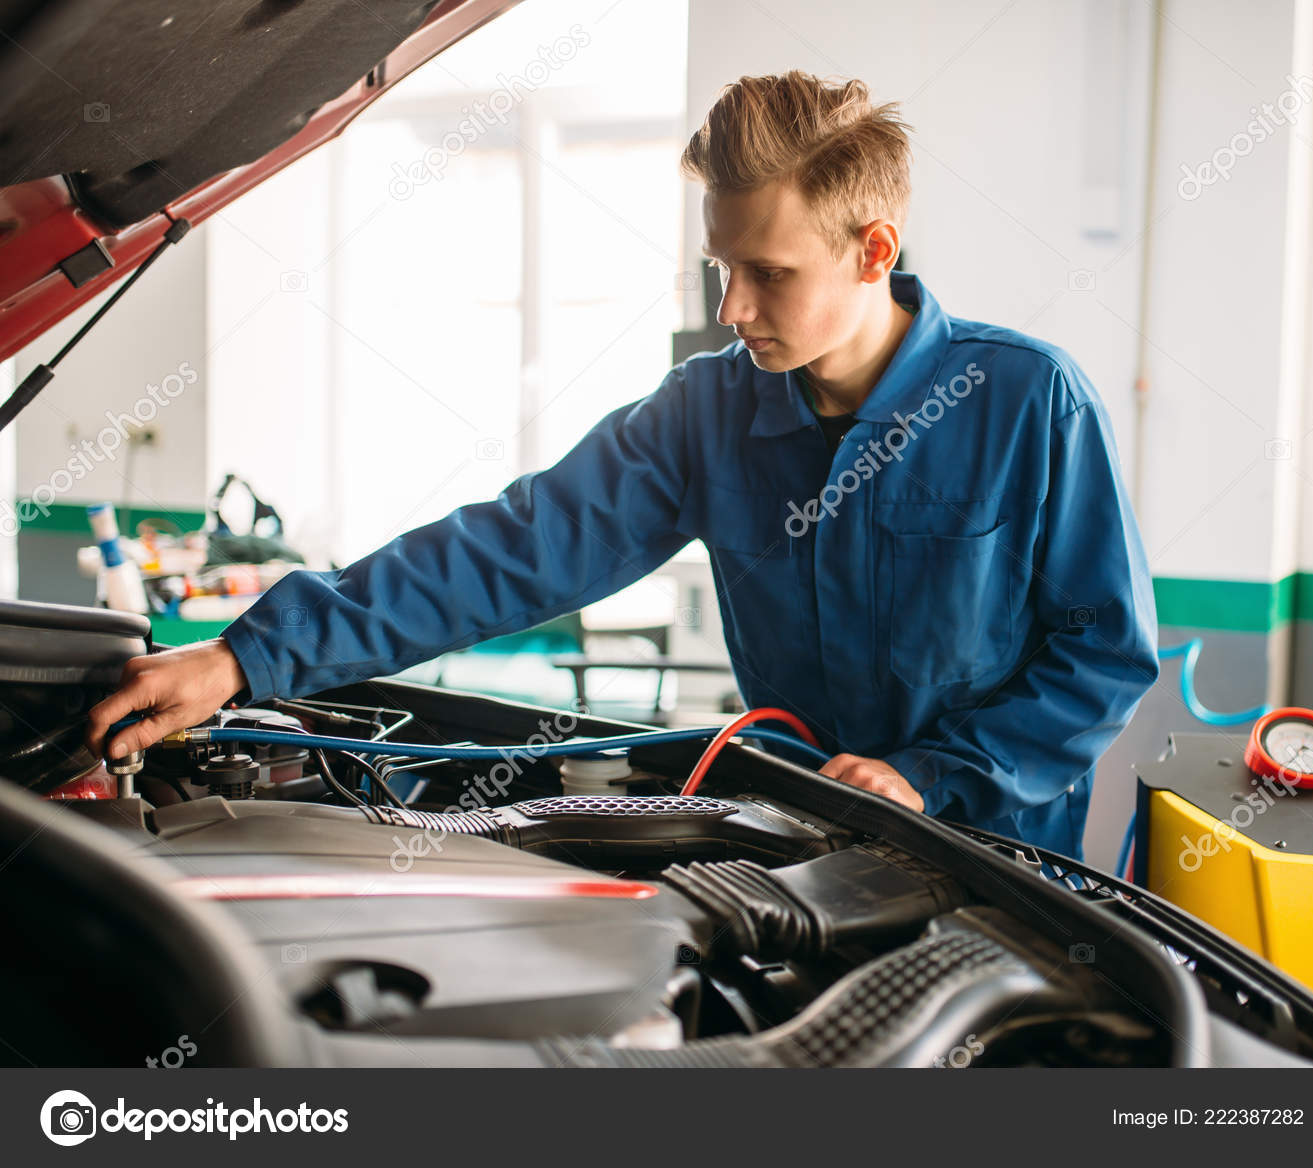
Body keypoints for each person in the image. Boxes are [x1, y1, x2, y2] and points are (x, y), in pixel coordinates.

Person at [86, 71, 1158, 861]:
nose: (731, 310)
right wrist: (246, 659)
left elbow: (1101, 657)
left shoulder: (1024, 402)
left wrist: (929, 779)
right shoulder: (709, 413)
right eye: (720, 268)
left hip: (1006, 864)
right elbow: (509, 551)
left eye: (767, 273)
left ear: (873, 251)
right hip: (804, 838)